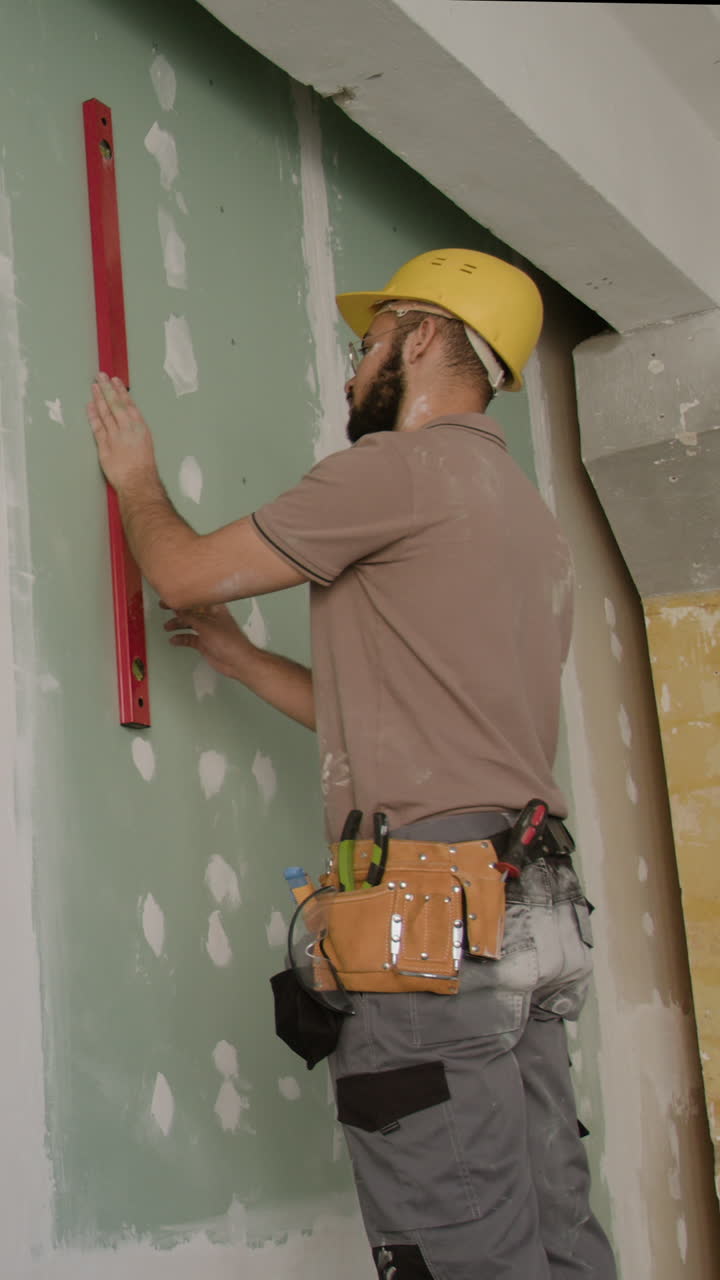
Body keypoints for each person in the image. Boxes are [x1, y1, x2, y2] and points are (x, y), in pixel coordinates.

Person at [87, 248, 617, 1280]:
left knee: (462, 1250)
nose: (351, 369)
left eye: (367, 342)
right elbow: (391, 713)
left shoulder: (399, 472)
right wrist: (243, 660)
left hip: (436, 920)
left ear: (422, 337)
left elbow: (183, 565)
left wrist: (139, 483)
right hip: (537, 904)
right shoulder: (525, 519)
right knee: (557, 1233)